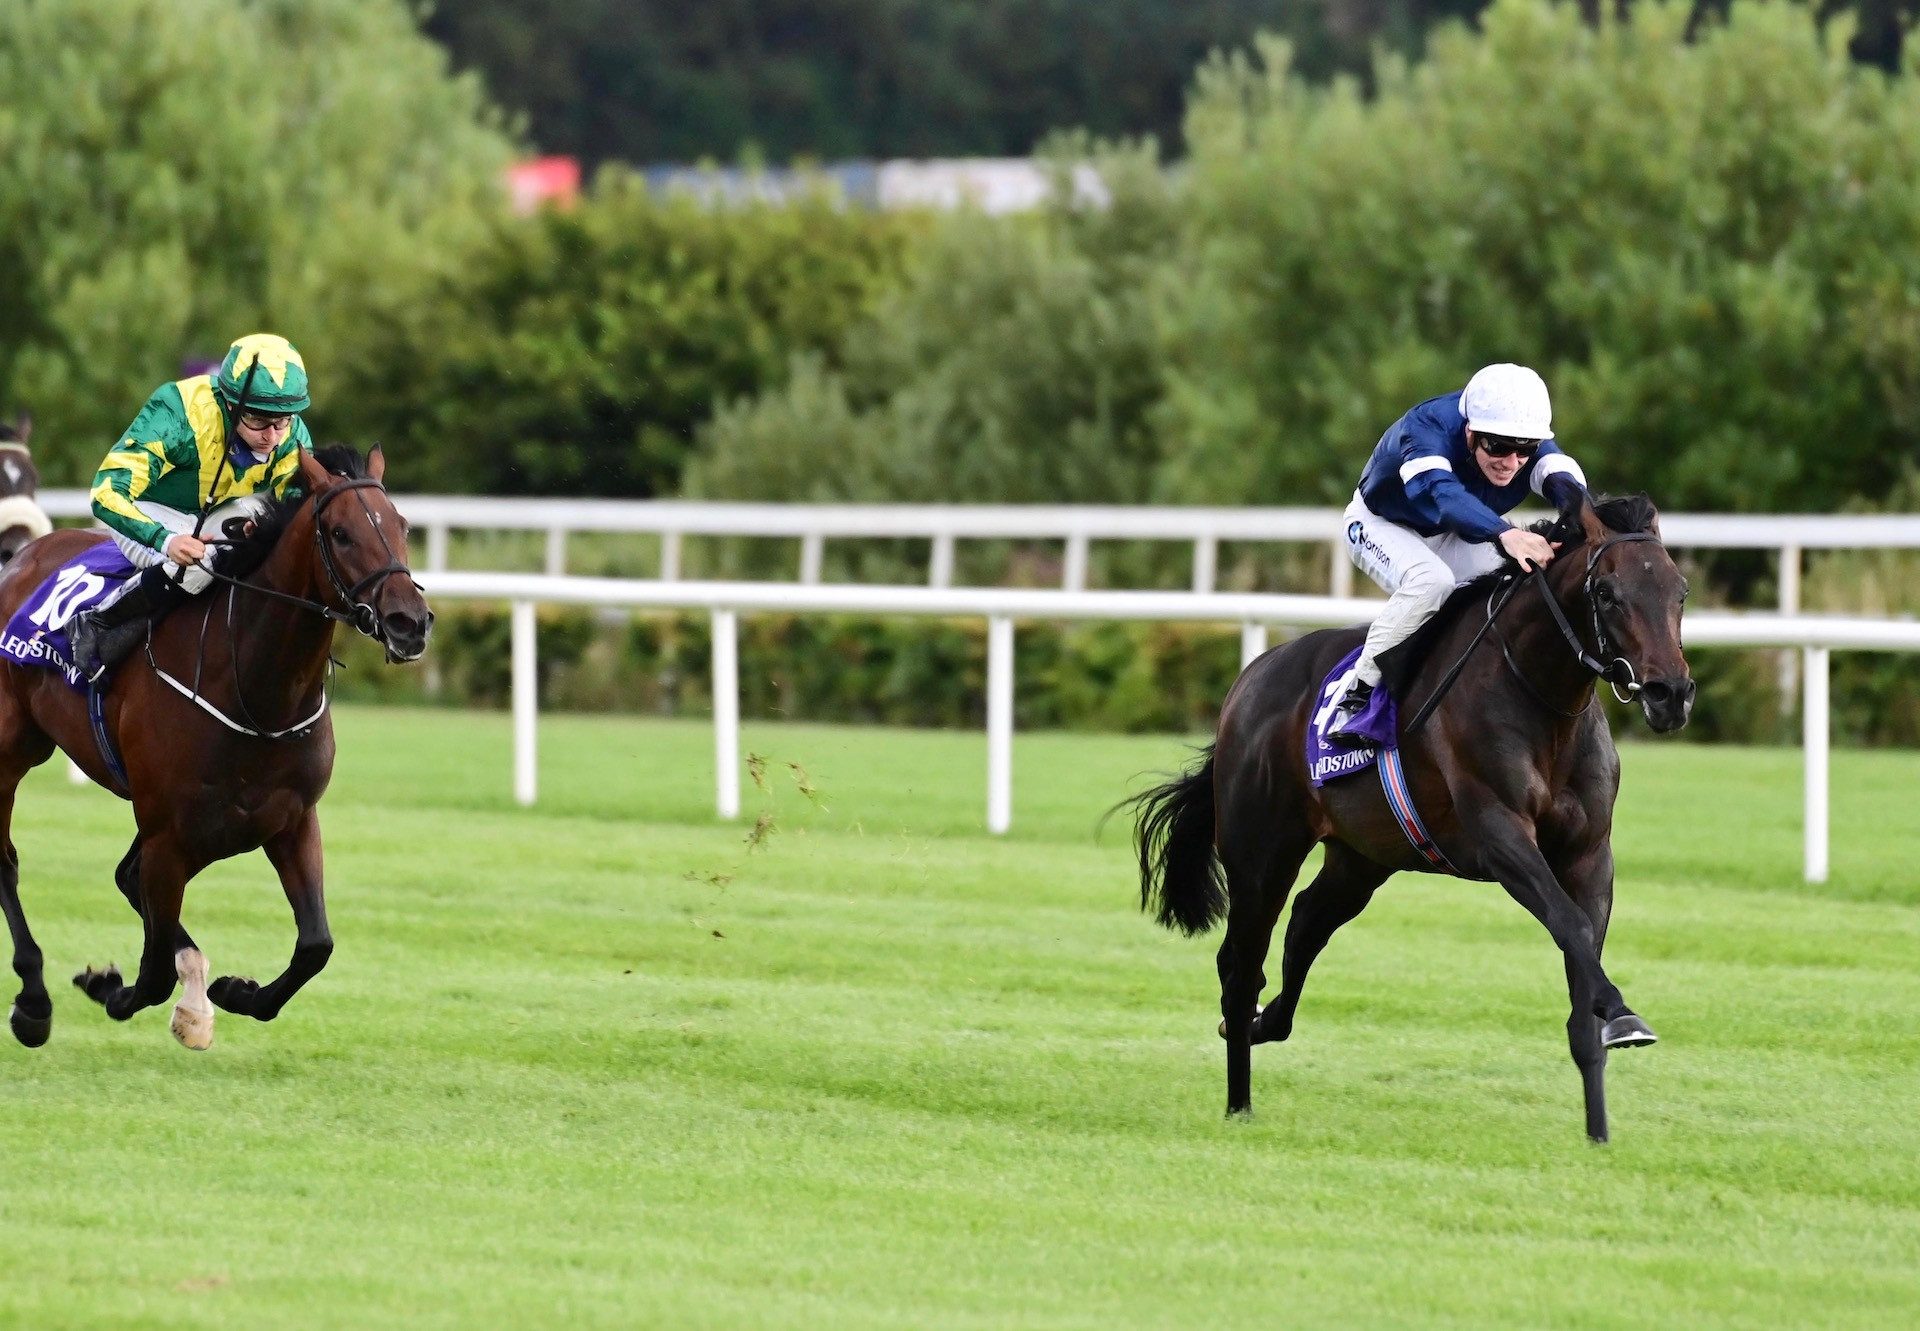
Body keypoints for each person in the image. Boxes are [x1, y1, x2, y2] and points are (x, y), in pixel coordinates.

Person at [1326, 363, 1588, 746]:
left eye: (1524, 450)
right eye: (1498, 447)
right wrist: (1506, 533)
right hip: (1382, 524)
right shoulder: (1425, 429)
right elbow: (1444, 497)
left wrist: (1592, 524)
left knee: (1518, 578)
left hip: (1453, 531)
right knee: (1431, 581)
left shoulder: (1520, 437)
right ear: (1470, 433)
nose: (1511, 462)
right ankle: (1357, 697)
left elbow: (1571, 489)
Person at [66, 333, 315, 681]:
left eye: (283, 420)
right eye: (258, 420)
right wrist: (165, 540)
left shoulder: (291, 435)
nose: (272, 436)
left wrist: (266, 529)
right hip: (145, 508)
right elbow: (106, 492)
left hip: (213, 511)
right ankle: (98, 623)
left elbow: (296, 508)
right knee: (201, 563)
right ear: (230, 404)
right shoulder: (179, 412)